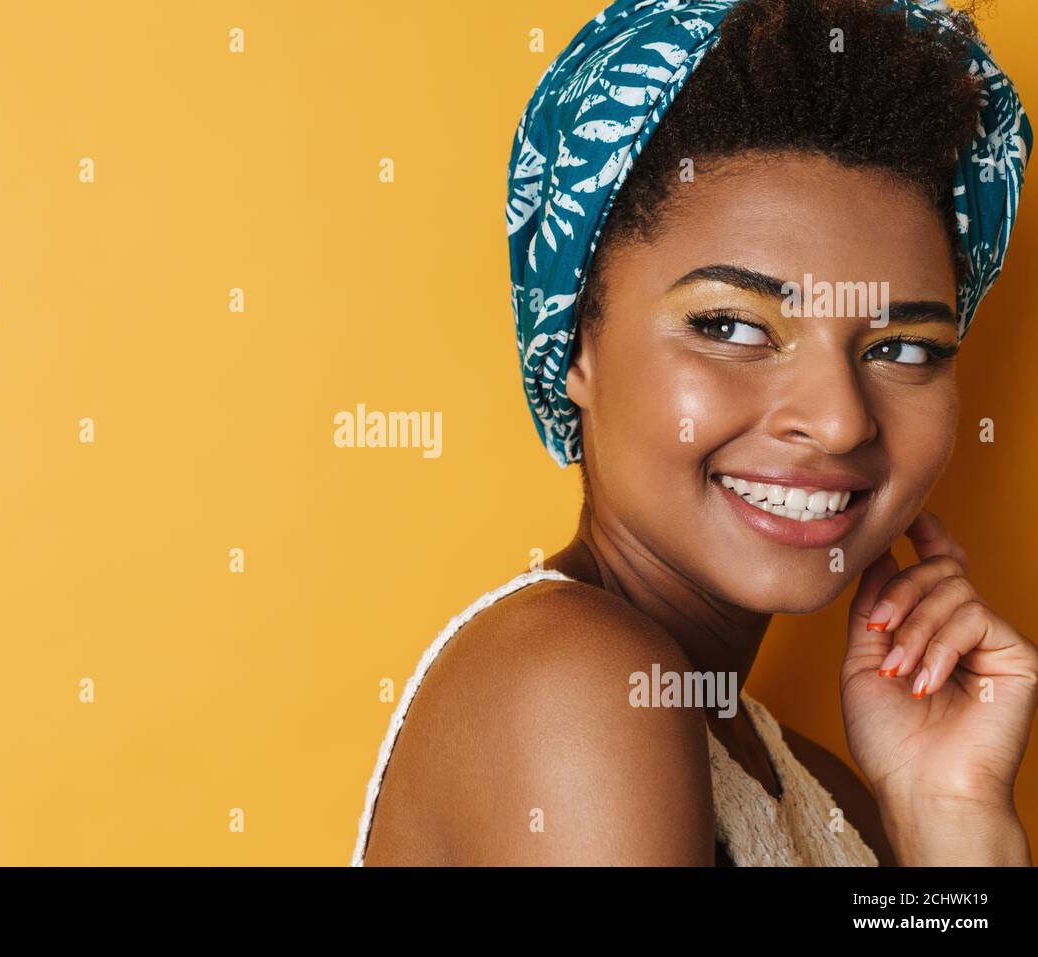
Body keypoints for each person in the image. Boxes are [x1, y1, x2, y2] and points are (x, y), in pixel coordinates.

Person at [352, 0, 1036, 865]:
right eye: (731, 326)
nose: (837, 420)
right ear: (577, 345)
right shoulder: (574, 688)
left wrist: (954, 817)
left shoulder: (832, 793)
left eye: (902, 347)